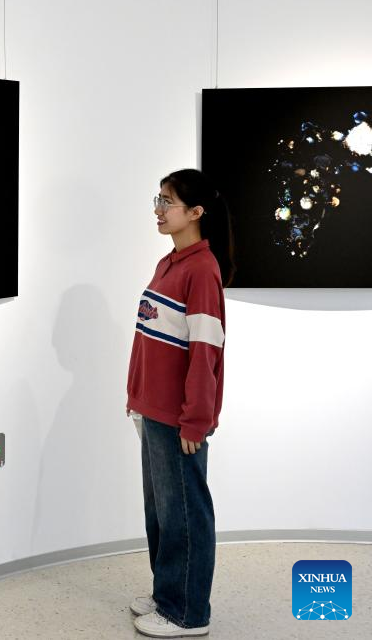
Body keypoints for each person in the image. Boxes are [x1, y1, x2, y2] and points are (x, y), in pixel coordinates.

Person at [125, 169, 235, 638]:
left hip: (178, 418)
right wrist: (135, 396)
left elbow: (206, 353)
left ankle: (187, 613)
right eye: (158, 199)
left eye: (167, 201)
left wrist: (196, 421)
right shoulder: (168, 263)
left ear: (196, 212)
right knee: (161, 513)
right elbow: (149, 336)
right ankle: (167, 592)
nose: (158, 209)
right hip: (152, 410)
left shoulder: (202, 270)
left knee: (185, 514)